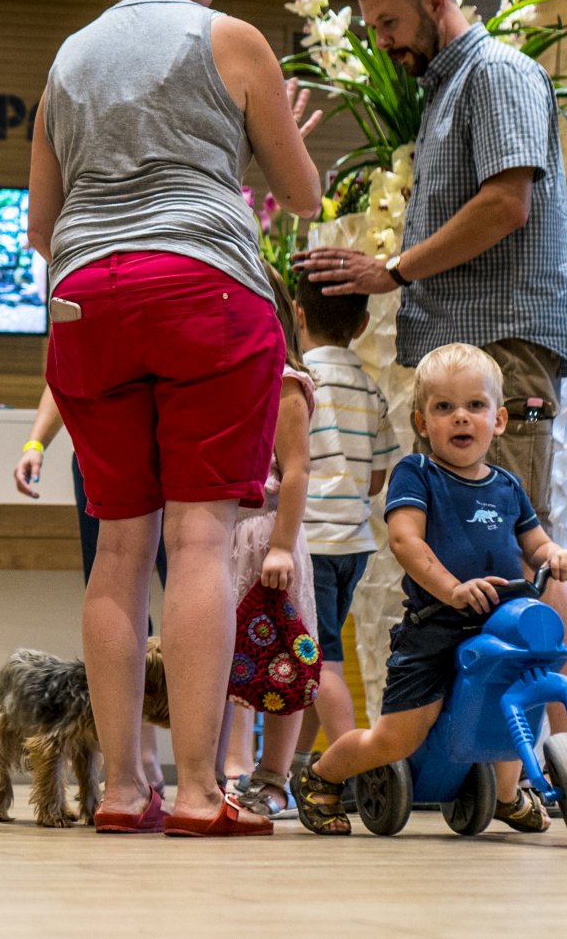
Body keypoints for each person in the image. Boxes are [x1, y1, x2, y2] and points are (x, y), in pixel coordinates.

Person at [28, 0, 321, 837]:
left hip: (85, 300)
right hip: (205, 291)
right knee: (199, 537)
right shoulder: (231, 38)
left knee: (120, 545)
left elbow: (40, 224)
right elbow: (304, 194)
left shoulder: (69, 57)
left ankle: (123, 789)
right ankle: (199, 792)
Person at [292, 0, 567, 806]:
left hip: (503, 346)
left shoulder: (496, 73)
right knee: (496, 560)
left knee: (525, 557)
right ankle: (499, 764)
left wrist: (394, 269)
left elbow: (507, 202)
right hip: (473, 347)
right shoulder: (445, 93)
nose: (383, 43)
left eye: (389, 22)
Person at [293, 343, 567, 836]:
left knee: (512, 699)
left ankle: (507, 794)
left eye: (475, 405)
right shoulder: (418, 474)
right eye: (444, 407)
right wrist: (451, 589)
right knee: (397, 739)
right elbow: (405, 540)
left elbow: (535, 544)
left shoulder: (507, 486)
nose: (461, 417)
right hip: (436, 627)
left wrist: (558, 555)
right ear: (422, 422)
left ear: (499, 420)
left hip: (499, 624)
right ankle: (322, 775)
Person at [15, 386, 169, 790]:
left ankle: (213, 767)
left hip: (168, 439)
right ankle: (139, 763)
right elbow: (63, 375)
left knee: (182, 588)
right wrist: (35, 443)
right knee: (121, 596)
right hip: (104, 444)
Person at [290, 274, 397, 777]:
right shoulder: (371, 390)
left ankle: (354, 766)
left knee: (321, 661)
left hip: (310, 543)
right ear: (361, 324)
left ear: (298, 314)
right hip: (353, 544)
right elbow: (376, 479)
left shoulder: (297, 381)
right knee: (316, 655)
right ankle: (296, 764)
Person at [222, 261, 317, 821]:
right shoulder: (226, 377)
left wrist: (281, 545)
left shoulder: (284, 382)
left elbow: (297, 470)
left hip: (266, 535)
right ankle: (233, 768)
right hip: (226, 535)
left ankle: (275, 775)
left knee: (283, 657)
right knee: (229, 659)